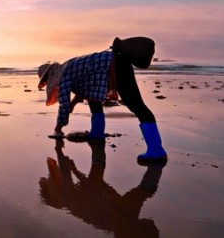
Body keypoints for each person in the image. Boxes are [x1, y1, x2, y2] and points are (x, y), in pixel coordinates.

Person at [37, 37, 167, 162]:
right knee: (93, 98)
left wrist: (58, 129)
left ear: (50, 77)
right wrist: (74, 103)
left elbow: (63, 106)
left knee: (137, 106)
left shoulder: (63, 75)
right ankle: (97, 133)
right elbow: (85, 90)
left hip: (115, 66)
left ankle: (156, 150)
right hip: (116, 63)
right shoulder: (69, 66)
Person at [39, 139, 164, 237]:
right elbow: (85, 186)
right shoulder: (66, 198)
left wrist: (72, 168)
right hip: (109, 210)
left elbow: (85, 187)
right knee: (140, 194)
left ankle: (155, 161)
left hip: (107, 212)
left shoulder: (69, 203)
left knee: (140, 195)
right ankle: (156, 159)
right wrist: (70, 166)